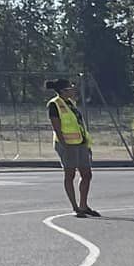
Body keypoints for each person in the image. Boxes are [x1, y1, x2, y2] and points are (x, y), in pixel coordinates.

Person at [45, 79, 98, 218]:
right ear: (63, 91)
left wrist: (86, 143)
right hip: (67, 145)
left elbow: (78, 125)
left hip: (80, 143)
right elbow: (56, 127)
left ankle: (83, 205)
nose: (73, 90)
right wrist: (64, 144)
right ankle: (75, 207)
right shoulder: (54, 104)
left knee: (86, 174)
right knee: (70, 175)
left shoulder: (71, 103)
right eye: (70, 88)